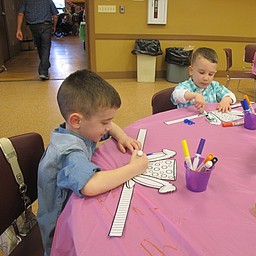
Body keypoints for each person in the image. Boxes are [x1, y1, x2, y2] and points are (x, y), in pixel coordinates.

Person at [37, 70, 149, 256]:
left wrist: (122, 136)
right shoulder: (69, 151)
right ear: (76, 120)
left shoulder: (80, 129)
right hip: (59, 232)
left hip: (73, 211)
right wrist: (134, 168)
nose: (108, 126)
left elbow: (111, 127)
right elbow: (90, 185)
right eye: (104, 122)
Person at [171, 47, 236, 113]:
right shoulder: (185, 86)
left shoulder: (214, 86)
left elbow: (231, 95)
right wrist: (195, 95)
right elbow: (176, 95)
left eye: (210, 74)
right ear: (191, 71)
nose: (206, 78)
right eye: (201, 73)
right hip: (187, 121)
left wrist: (226, 100)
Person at [16, 0, 58, 81]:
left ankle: (45, 64)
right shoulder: (48, 1)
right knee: (46, 47)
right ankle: (43, 71)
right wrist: (54, 26)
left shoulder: (27, 1)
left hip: (33, 26)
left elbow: (20, 14)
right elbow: (55, 15)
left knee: (39, 46)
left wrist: (18, 29)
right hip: (46, 25)